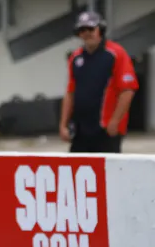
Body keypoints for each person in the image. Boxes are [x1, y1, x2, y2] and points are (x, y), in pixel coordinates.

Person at [59, 11, 139, 153]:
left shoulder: (116, 53)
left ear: (100, 30)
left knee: (108, 166)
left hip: (106, 130)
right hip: (80, 130)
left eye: (90, 29)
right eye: (82, 30)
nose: (86, 33)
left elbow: (127, 91)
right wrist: (63, 124)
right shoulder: (75, 58)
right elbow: (70, 93)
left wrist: (115, 121)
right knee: (77, 165)